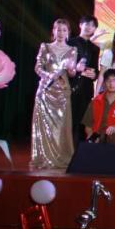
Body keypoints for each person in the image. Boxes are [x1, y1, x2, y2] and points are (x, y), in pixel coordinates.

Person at [31, 18, 79, 169]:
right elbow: (38, 67)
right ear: (53, 31)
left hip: (62, 92)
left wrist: (73, 70)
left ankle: (61, 156)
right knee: (44, 126)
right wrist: (48, 76)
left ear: (68, 32)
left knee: (61, 127)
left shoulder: (72, 50)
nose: (61, 33)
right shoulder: (45, 47)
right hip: (45, 90)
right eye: (58, 29)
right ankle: (43, 158)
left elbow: (72, 73)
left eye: (64, 30)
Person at [66, 15, 99, 144]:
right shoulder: (70, 43)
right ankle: (67, 150)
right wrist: (77, 69)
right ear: (80, 25)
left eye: (92, 25)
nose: (89, 27)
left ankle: (79, 150)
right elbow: (64, 66)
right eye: (87, 24)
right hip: (70, 87)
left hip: (86, 89)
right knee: (69, 121)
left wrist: (94, 75)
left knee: (83, 122)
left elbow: (95, 69)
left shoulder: (95, 48)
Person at [81, 69, 115, 145]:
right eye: (108, 80)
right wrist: (91, 137)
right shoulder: (96, 101)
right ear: (104, 83)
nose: (111, 83)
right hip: (97, 141)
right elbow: (88, 125)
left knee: (114, 137)